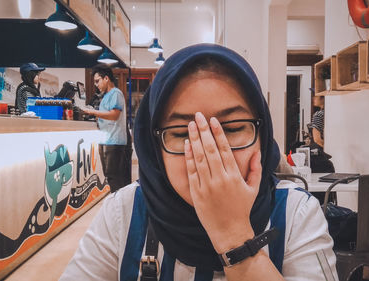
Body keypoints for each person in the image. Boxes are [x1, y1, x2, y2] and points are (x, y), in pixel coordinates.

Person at [60, 44, 337, 280]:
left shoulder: (296, 213)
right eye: (182, 133)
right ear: (155, 147)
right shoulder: (123, 212)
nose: (210, 151)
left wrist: (235, 238)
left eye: (232, 128)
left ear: (261, 135)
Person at [82, 65, 131, 193]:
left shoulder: (116, 93)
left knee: (115, 177)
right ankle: (117, 205)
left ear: (106, 78)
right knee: (110, 176)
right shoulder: (106, 96)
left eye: (97, 81)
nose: (96, 84)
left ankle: (120, 206)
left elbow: (114, 115)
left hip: (115, 141)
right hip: (106, 140)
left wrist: (93, 112)